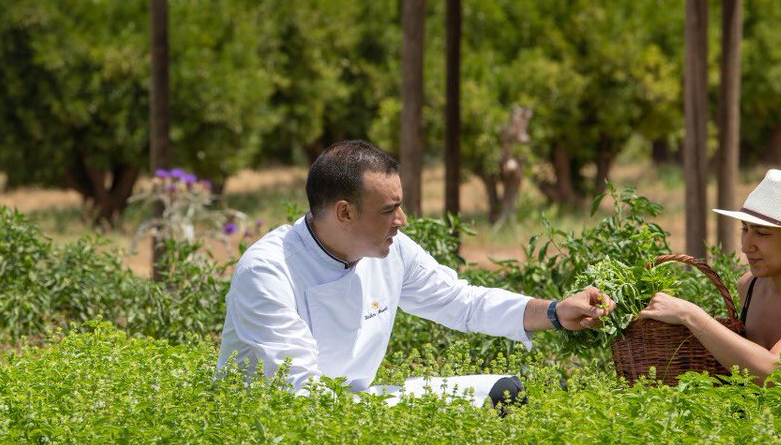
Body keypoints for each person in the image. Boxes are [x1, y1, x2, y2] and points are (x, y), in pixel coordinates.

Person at [216, 140, 615, 401]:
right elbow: (302, 397)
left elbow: (463, 303)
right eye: (389, 210)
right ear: (345, 212)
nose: (403, 220)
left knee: (504, 392)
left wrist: (554, 312)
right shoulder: (267, 271)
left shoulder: (392, 251)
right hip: (283, 427)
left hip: (358, 402)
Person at [639, 169, 781, 379]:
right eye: (745, 229)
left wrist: (690, 315)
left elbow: (776, 376)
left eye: (762, 233)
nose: (746, 246)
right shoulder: (749, 285)